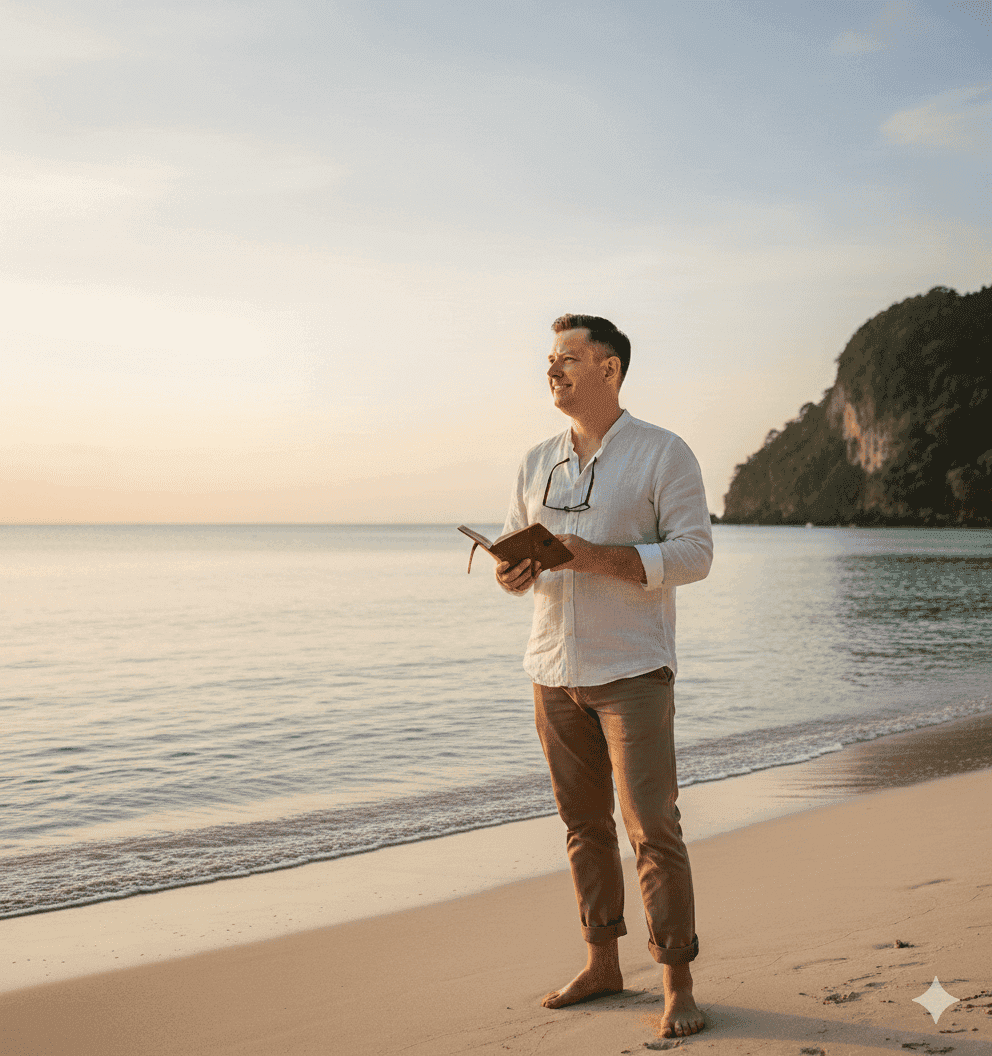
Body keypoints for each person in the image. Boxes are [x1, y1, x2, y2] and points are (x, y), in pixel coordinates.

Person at [496, 314, 712, 1038]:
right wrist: (512, 572)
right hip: (552, 670)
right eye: (548, 361)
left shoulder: (663, 454)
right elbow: (515, 571)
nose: (552, 371)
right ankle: (602, 964)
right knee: (582, 826)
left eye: (567, 360)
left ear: (609, 369)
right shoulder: (534, 460)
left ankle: (677, 980)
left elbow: (694, 555)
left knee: (652, 827)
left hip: (632, 672)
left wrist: (596, 556)